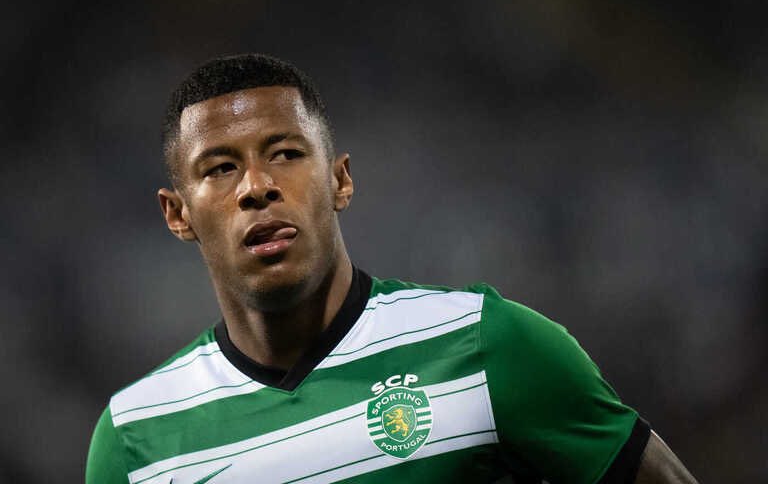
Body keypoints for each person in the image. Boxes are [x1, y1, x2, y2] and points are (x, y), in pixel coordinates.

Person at [86, 54, 698, 484]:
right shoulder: (135, 440)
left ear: (340, 180)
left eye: (286, 153)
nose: (257, 186)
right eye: (220, 168)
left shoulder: (487, 345)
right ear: (178, 213)